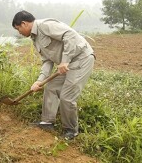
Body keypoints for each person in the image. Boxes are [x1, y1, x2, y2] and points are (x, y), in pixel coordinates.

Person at [12, 10, 95, 140]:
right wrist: (39, 81)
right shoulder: (35, 38)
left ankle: (71, 131)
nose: (19, 33)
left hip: (81, 59)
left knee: (66, 96)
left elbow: (70, 35)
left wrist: (65, 60)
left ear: (24, 24)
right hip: (66, 64)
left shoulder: (45, 25)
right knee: (50, 87)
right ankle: (47, 122)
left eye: (18, 29)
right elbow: (47, 61)